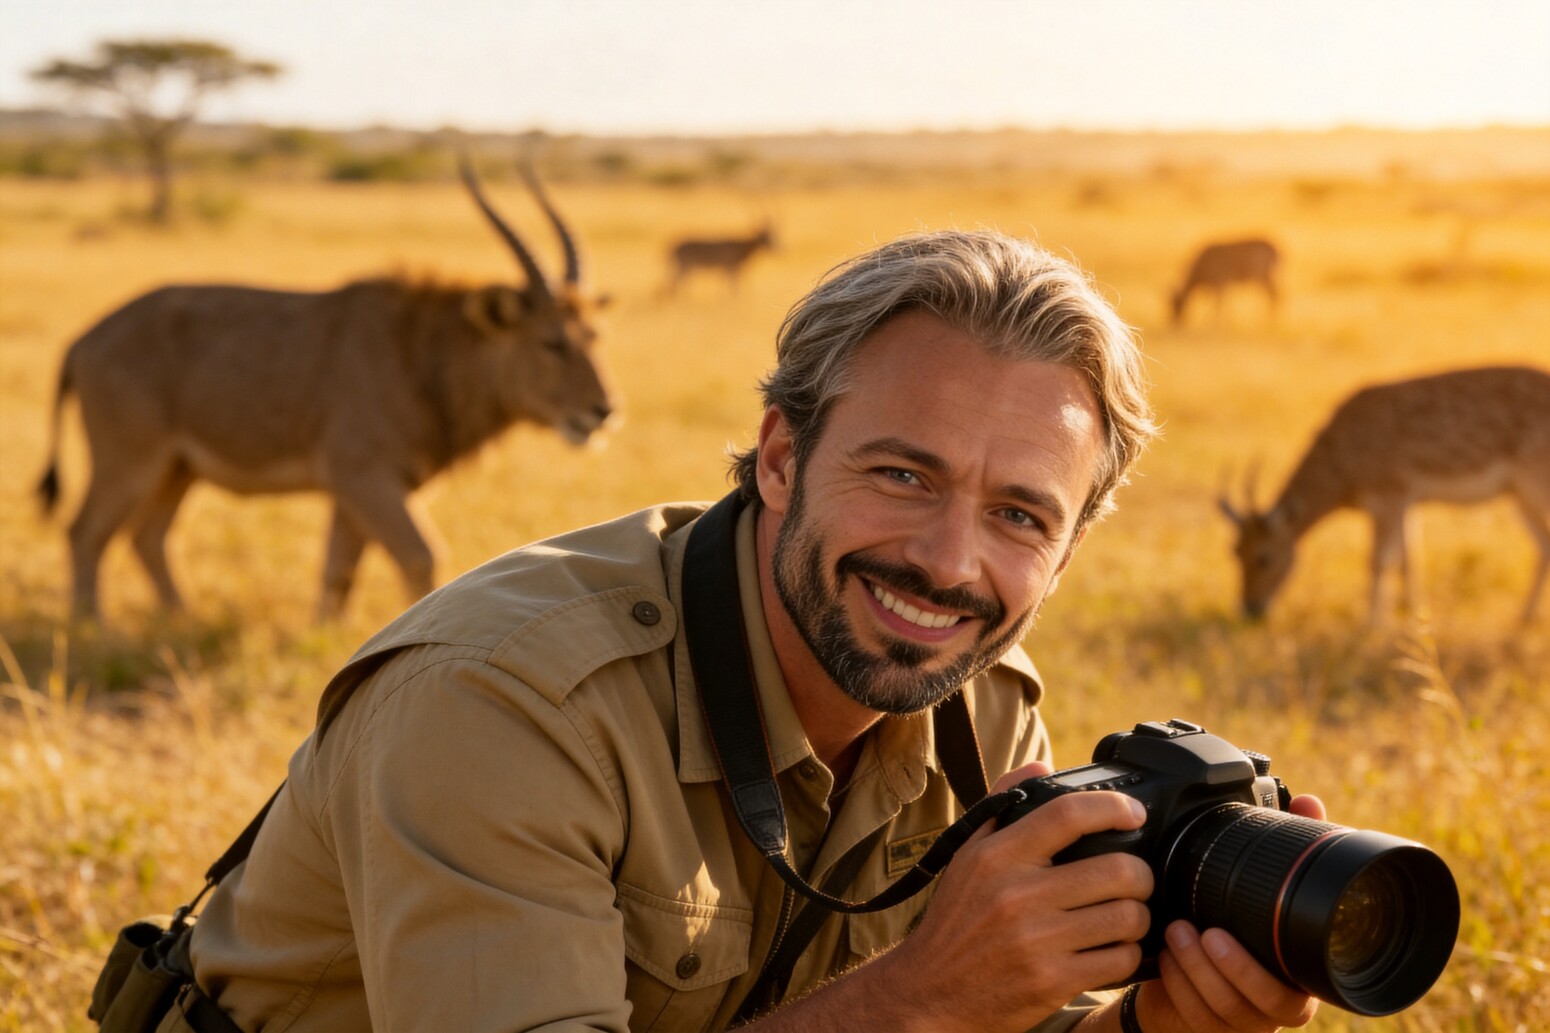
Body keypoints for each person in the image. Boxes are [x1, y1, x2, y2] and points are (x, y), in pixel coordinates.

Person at [174, 230, 1322, 1033]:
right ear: (779, 457)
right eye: (902, 474)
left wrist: (1144, 1024)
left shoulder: (975, 697)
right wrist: (922, 995)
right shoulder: (503, 701)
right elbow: (930, 1008)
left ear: (1068, 547)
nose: (948, 561)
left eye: (1019, 513)